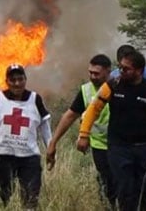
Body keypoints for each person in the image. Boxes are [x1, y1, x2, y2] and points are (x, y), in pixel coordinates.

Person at [78, 49, 146, 211]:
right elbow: (94, 109)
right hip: (119, 147)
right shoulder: (112, 85)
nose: (121, 71)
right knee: (127, 190)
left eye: (126, 69)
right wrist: (84, 134)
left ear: (139, 71)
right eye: (120, 67)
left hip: (145, 146)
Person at [45, 54, 116, 208]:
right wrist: (53, 143)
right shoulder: (86, 90)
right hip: (99, 146)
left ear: (108, 71)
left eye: (96, 73)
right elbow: (69, 116)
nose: (92, 76)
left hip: (120, 145)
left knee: (124, 184)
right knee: (106, 183)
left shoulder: (118, 87)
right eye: (90, 72)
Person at [0, 64, 52, 210]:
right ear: (7, 81)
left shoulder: (35, 99)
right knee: (1, 200)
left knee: (31, 199)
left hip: (30, 158)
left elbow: (45, 125)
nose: (17, 83)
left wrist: (50, 148)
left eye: (20, 79)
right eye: (13, 80)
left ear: (25, 79)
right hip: (4, 157)